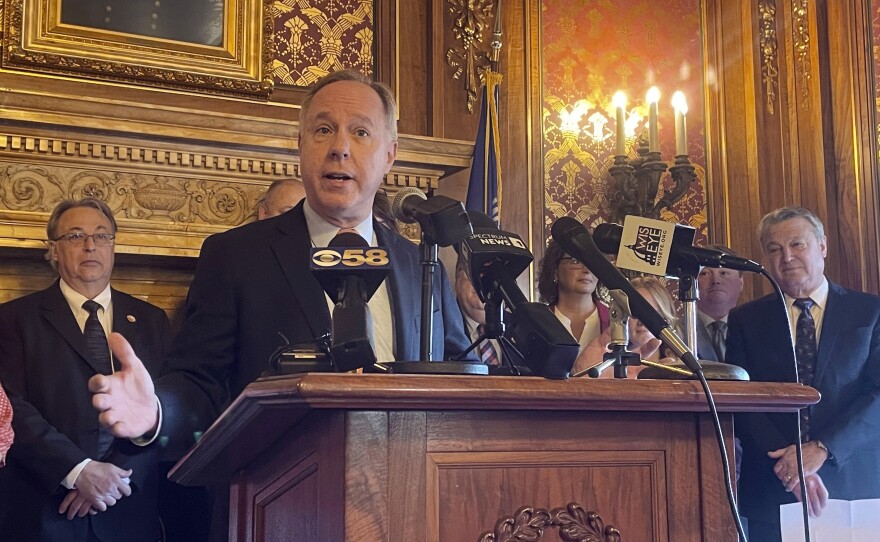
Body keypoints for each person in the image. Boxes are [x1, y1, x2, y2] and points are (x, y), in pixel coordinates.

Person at [88, 69, 471, 530]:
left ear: (390, 154)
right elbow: (199, 382)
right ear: (300, 145)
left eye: (361, 131)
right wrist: (156, 413)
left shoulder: (421, 264)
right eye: (323, 129)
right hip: (277, 510)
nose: (340, 147)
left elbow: (458, 375)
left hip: (411, 508)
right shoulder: (236, 255)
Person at [0, 198, 170, 542]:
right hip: (45, 509)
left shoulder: (152, 320)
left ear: (113, 246)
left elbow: (166, 406)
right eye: (75, 236)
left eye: (102, 236)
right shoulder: (12, 319)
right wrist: (77, 471)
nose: (91, 245)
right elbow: (11, 408)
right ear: (54, 250)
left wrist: (115, 478)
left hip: (128, 508)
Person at [726, 206, 880, 542]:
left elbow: (878, 394)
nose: (787, 257)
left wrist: (823, 449)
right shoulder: (745, 321)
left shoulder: (870, 311)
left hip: (855, 481)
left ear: (822, 246)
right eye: (774, 249)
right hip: (774, 487)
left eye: (797, 244)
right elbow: (741, 400)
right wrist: (791, 466)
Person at [536, 239, 610, 352]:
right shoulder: (538, 323)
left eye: (593, 262)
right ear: (555, 269)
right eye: (575, 261)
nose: (587, 270)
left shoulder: (615, 323)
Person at [696, 245, 744, 362]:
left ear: (741, 283)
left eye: (724, 273)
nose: (715, 281)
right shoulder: (675, 332)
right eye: (705, 273)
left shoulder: (757, 330)